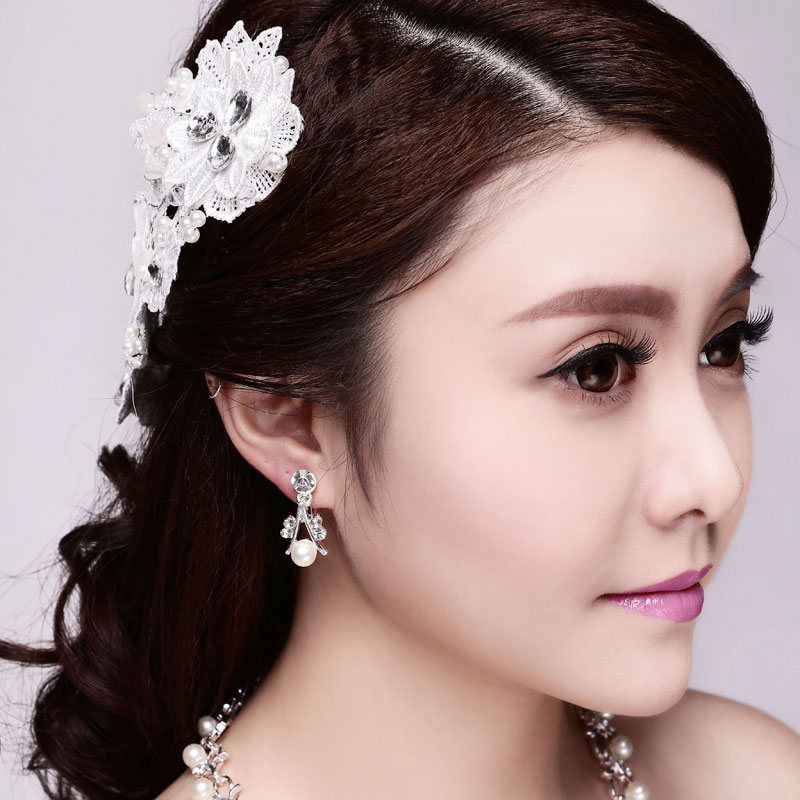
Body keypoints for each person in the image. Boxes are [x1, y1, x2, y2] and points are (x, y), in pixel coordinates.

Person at [2, 1, 799, 798]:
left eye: (722, 345)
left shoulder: (755, 778)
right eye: (596, 368)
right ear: (290, 422)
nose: (714, 478)